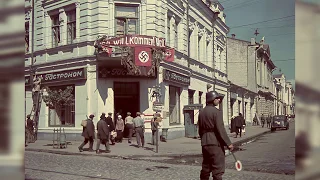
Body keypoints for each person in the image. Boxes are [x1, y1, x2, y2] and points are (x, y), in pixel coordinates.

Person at [198, 91, 234, 180]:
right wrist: (228, 143)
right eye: (217, 98)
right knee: (217, 168)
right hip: (215, 143)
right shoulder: (216, 112)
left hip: (205, 143)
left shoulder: (201, 112)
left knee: (206, 166)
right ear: (212, 99)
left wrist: (204, 138)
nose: (219, 100)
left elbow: (200, 129)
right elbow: (220, 129)